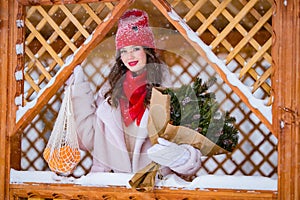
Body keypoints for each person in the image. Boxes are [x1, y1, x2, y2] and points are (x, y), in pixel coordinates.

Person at [69, 9, 202, 180]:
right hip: (111, 190)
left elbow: (192, 163)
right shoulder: (109, 97)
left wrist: (181, 157)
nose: (129, 55)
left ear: (147, 51)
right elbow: (88, 139)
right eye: (123, 50)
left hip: (153, 191)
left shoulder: (168, 98)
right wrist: (79, 88)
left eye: (135, 48)